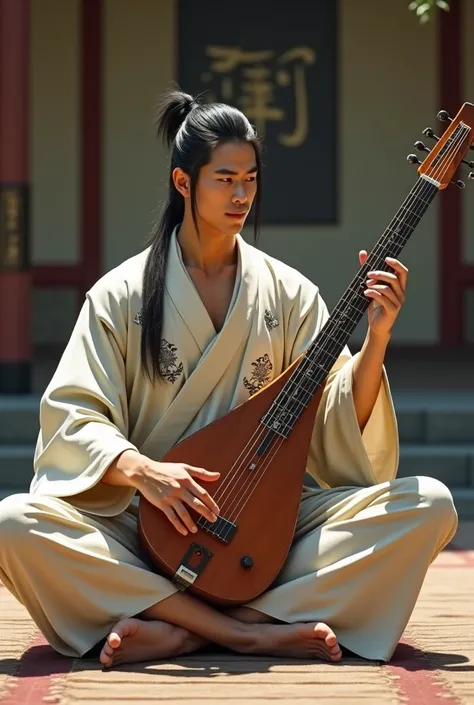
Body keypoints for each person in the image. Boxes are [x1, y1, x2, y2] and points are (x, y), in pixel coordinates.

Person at [0, 90, 457, 670]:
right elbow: (72, 414)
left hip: (266, 529)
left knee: (431, 506)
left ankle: (190, 628)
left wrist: (378, 339)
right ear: (184, 183)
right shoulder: (121, 295)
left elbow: (337, 417)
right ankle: (254, 632)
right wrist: (147, 472)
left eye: (250, 178)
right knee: (13, 523)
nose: (241, 194)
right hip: (144, 529)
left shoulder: (287, 292)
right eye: (224, 179)